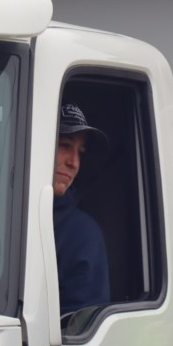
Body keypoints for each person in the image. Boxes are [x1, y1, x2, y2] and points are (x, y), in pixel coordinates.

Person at [53, 103, 111, 315]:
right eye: (65, 145)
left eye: (80, 152)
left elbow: (77, 328)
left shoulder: (82, 234)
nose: (74, 162)